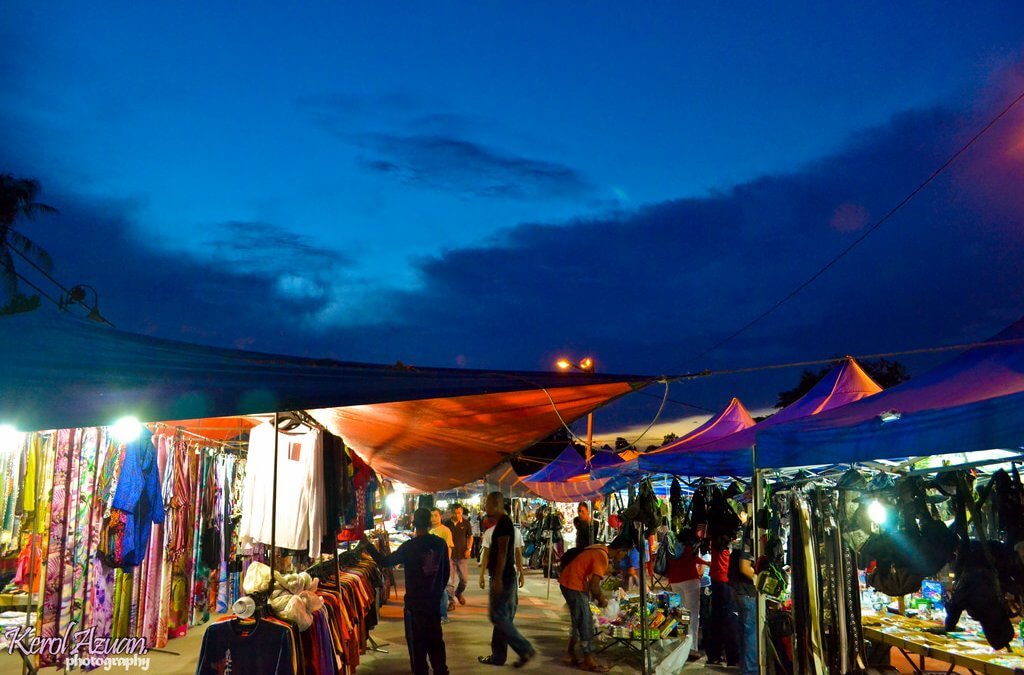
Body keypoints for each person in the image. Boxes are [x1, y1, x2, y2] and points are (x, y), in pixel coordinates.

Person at [362, 507, 449, 675]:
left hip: (414, 606)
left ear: (414, 524)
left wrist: (368, 545)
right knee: (436, 642)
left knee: (418, 648)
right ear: (430, 524)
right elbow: (446, 573)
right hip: (432, 603)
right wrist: (437, 592)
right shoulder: (440, 544)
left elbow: (385, 561)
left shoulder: (409, 547)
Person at [478, 491, 535, 667]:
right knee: (500, 617)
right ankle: (498, 656)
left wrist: (497, 579)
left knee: (499, 617)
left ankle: (524, 648)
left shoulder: (504, 524)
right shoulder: (502, 524)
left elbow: (503, 552)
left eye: (487, 503)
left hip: (503, 577)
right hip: (503, 576)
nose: (485, 507)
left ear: (496, 504)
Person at [559, 535, 632, 672]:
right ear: (620, 551)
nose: (623, 557)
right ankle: (589, 660)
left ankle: (571, 653)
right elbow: (594, 587)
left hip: (569, 582)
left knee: (578, 620)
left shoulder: (599, 548)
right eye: (625, 553)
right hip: (573, 585)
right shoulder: (601, 556)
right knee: (586, 622)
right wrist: (602, 600)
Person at [666, 537, 709, 661]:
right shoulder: (690, 547)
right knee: (693, 615)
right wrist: (706, 563)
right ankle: (692, 648)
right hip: (690, 580)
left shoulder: (671, 547)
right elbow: (693, 559)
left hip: (675, 581)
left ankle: (680, 644)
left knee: (681, 612)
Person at [704, 536, 740, 666]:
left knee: (716, 617)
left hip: (716, 578)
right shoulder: (725, 541)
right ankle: (732, 657)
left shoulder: (715, 538)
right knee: (729, 619)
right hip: (725, 580)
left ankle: (714, 655)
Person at [731, 538, 757, 675]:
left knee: (745, 633)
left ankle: (745, 668)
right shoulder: (749, 542)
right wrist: (760, 579)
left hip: (742, 593)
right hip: (748, 594)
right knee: (751, 635)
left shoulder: (745, 541)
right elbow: (744, 567)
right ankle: (750, 670)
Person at [479, 520, 525, 590]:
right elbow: (486, 554)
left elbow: (518, 553)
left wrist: (521, 573)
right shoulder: (489, 532)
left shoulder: (515, 532)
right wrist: (481, 575)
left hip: (509, 572)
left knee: (503, 598)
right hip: (496, 572)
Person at [445, 504, 474, 606]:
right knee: (450, 581)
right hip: (449, 556)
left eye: (459, 513)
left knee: (464, 579)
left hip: (462, 555)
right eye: (455, 513)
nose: (457, 515)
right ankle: (451, 602)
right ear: (451, 512)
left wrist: (469, 549)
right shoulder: (447, 524)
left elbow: (470, 537)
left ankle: (458, 593)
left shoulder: (466, 523)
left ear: (462, 512)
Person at [430, 508, 455, 620]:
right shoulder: (428, 530)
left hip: (442, 564)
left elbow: (449, 548)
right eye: (431, 516)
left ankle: (443, 615)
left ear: (440, 516)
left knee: (442, 589)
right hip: (430, 565)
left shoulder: (445, 530)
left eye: (436, 515)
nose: (434, 518)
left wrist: (446, 563)